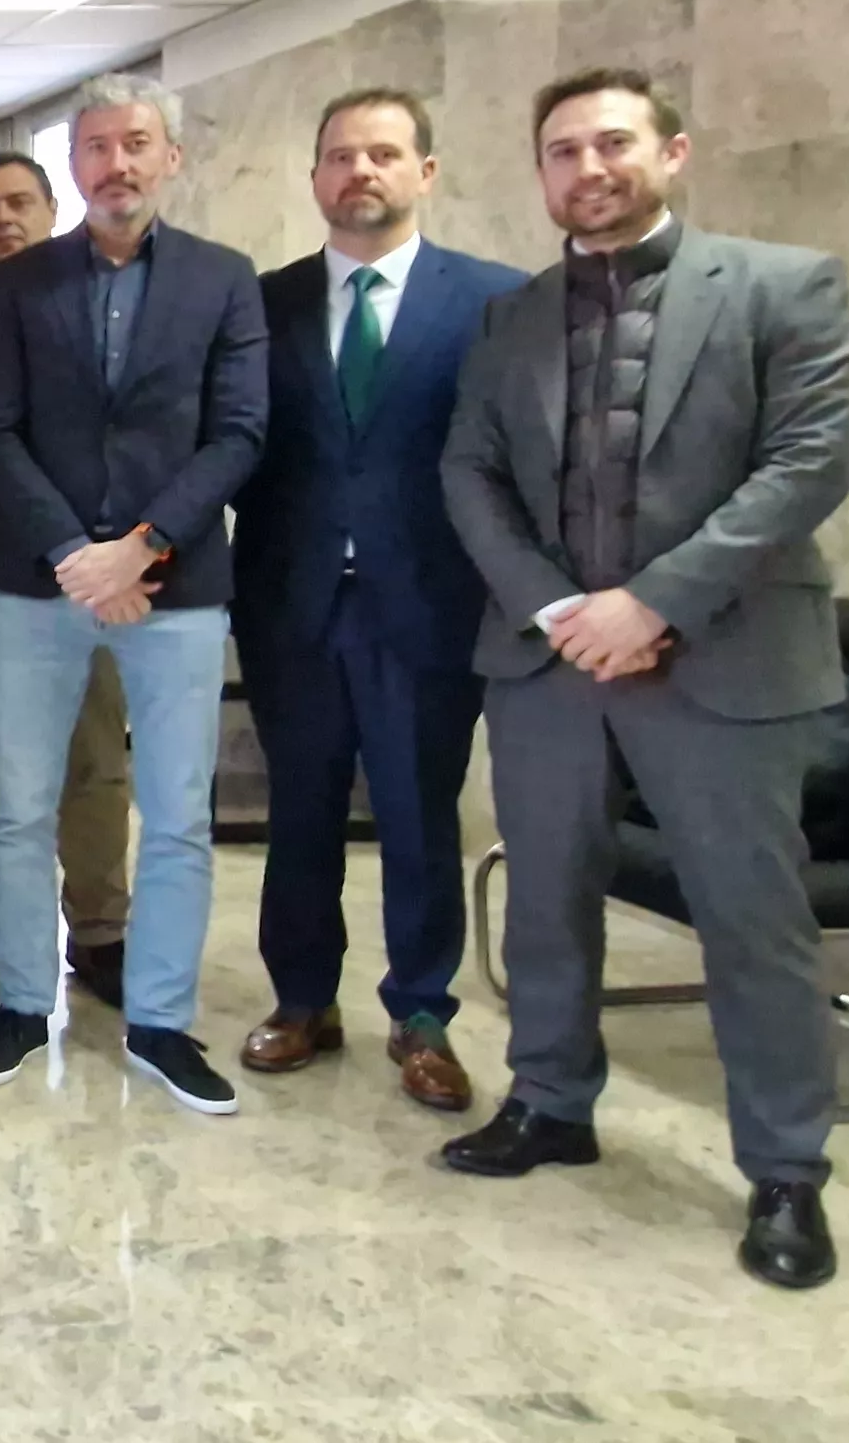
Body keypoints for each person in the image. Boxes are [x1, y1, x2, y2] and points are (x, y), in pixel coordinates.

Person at [435, 68, 849, 1292]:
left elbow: (806, 466)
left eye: (612, 143)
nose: (587, 169)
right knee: (544, 894)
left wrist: (653, 604)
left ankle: (785, 1175)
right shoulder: (509, 318)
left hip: (720, 660)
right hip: (549, 658)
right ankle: (551, 1101)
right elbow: (472, 473)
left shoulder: (782, 287)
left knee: (750, 920)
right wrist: (559, 609)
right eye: (561, 150)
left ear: (673, 151)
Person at [0, 73, 265, 1117]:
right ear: (74, 163)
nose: (115, 165)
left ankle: (163, 1024)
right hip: (35, 584)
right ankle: (19, 1004)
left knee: (175, 815)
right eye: (95, 147)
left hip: (174, 589)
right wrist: (73, 555)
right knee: (22, 808)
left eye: (136, 143)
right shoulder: (20, 284)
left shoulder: (225, 281)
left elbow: (239, 433)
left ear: (170, 157)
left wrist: (140, 549)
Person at [232, 89, 524, 1114]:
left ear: (424, 173)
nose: (360, 172)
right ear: (315, 179)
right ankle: (302, 998)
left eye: (383, 154)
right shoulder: (259, 305)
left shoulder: (495, 302)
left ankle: (424, 1014)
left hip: (429, 605)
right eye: (339, 157)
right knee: (299, 815)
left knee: (416, 812)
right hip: (292, 603)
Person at [0, 152, 136, 1010]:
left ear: (54, 210)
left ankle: (100, 932)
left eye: (19, 204)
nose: (2, 220)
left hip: (88, 581)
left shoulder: (105, 304)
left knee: (92, 764)